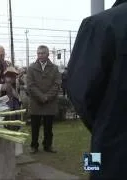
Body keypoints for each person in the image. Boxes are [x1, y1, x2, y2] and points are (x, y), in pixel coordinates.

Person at [66, 1, 127, 179]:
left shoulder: (98, 24)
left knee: (95, 166)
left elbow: (80, 93)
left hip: (110, 142)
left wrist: (104, 123)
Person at [27, 45, 61, 154]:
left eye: (42, 53)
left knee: (48, 127)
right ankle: (34, 146)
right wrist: (41, 97)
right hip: (36, 102)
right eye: (38, 53)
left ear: (48, 54)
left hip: (49, 103)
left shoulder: (55, 68)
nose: (40, 55)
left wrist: (47, 97)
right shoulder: (31, 68)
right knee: (35, 127)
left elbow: (57, 84)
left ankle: (48, 145)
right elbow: (30, 85)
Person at [0, 66, 22, 131]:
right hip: (7, 105)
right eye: (8, 76)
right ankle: (9, 128)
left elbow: (18, 95)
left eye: (13, 76)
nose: (11, 78)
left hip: (15, 105)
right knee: (9, 117)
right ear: (5, 77)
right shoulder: (3, 86)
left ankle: (16, 128)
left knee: (16, 116)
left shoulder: (16, 84)